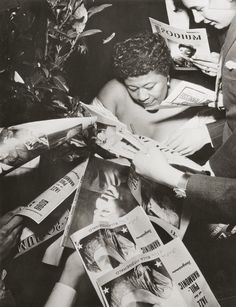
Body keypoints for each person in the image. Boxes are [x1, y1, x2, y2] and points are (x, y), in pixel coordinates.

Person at [96, 31, 213, 143]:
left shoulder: (195, 104)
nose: (142, 97)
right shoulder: (113, 93)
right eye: (133, 88)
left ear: (167, 76)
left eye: (150, 87)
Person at [165, 0, 236, 155]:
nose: (196, 20)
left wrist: (206, 134)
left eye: (199, 9)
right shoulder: (228, 29)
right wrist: (221, 67)